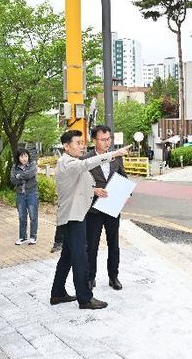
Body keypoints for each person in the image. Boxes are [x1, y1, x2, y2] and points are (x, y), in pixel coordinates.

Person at [50, 130, 129, 310]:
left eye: (82, 142)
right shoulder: (68, 162)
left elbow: (80, 185)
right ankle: (85, 299)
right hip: (74, 216)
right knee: (80, 257)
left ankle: (57, 292)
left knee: (67, 256)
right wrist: (114, 154)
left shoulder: (72, 162)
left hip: (75, 214)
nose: (81, 146)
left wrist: (96, 190)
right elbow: (86, 164)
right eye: (77, 143)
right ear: (66, 146)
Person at [81, 125, 126, 291]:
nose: (107, 142)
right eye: (103, 139)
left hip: (113, 206)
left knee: (114, 244)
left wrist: (126, 193)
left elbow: (122, 176)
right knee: (91, 246)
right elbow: (79, 184)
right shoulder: (85, 159)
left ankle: (113, 277)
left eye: (109, 139)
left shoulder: (117, 157)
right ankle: (90, 277)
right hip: (93, 209)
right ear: (95, 140)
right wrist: (93, 190)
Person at [10, 149, 38, 246]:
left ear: (28, 156)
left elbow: (30, 175)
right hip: (20, 194)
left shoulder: (32, 165)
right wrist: (23, 176)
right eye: (22, 156)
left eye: (26, 156)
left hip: (32, 193)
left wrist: (19, 176)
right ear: (18, 158)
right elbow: (13, 180)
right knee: (22, 217)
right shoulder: (15, 167)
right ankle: (22, 237)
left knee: (33, 216)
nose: (24, 158)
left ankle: (33, 237)